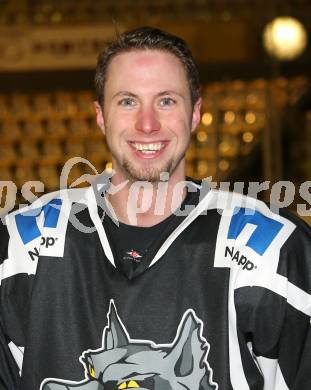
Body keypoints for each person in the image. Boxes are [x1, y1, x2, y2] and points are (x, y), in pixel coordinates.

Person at [0, 26, 310, 390]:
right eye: (127, 101)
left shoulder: (275, 252)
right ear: (101, 116)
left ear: (195, 114)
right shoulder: (20, 248)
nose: (147, 124)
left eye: (166, 101)